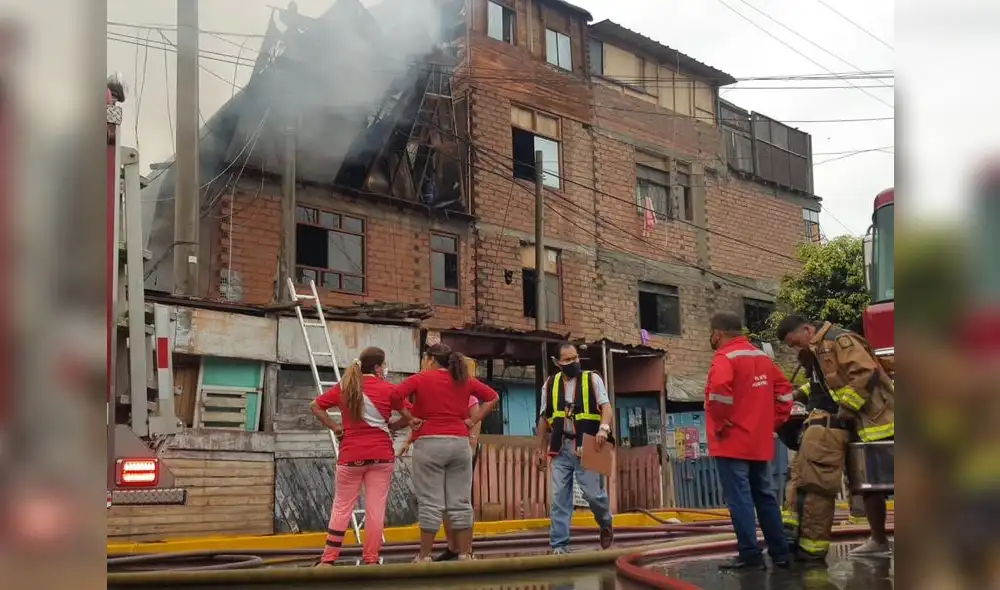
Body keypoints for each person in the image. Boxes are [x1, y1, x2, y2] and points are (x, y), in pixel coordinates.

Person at [778, 314, 895, 559]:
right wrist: (798, 394)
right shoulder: (820, 350)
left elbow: (865, 372)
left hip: (879, 424)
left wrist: (848, 408)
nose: (794, 347)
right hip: (860, 428)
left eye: (794, 341)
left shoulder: (839, 341)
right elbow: (826, 383)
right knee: (869, 488)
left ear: (807, 330)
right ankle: (878, 540)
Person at [703, 312, 793, 570]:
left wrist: (721, 422)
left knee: (739, 499)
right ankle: (780, 553)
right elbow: (785, 392)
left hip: (731, 441)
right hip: (758, 441)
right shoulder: (762, 357)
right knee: (764, 496)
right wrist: (773, 422)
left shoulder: (724, 357)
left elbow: (719, 391)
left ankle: (750, 555)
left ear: (717, 333)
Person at [396, 343, 499, 563]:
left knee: (430, 502)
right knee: (461, 501)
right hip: (459, 443)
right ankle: (465, 554)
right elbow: (492, 397)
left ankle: (424, 556)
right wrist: (472, 421)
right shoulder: (463, 380)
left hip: (429, 444)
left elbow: (395, 396)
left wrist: (410, 417)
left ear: (431, 359)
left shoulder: (420, 379)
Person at [310, 346, 412, 566]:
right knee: (376, 507)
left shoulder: (345, 388)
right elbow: (412, 416)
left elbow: (316, 406)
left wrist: (336, 428)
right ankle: (371, 559)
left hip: (351, 455)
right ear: (377, 367)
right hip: (382, 456)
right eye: (384, 365)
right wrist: (393, 425)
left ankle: (328, 559)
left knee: (342, 506)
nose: (385, 368)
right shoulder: (390, 390)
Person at [534, 342, 615, 555]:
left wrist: (603, 430)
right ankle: (559, 546)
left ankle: (606, 522)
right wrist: (540, 450)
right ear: (557, 362)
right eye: (568, 360)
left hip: (589, 445)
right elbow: (544, 419)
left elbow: (606, 407)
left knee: (593, 495)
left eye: (576, 357)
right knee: (559, 497)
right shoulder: (550, 385)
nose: (574, 362)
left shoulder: (592, 379)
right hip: (561, 447)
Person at [399, 393, 481, 561]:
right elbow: (420, 420)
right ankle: (454, 547)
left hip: (457, 447)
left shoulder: (463, 390)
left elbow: (476, 415)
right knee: (445, 504)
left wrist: (472, 439)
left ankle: (466, 548)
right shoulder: (434, 393)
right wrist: (409, 439)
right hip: (443, 447)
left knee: (458, 502)